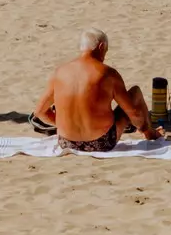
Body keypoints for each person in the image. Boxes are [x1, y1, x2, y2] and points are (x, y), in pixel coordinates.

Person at [31, 29, 162, 152]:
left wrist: (62, 124)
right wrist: (144, 128)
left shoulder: (60, 72)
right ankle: (149, 133)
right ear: (101, 47)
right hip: (101, 142)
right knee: (135, 92)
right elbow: (134, 114)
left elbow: (39, 112)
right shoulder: (108, 73)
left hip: (67, 142)